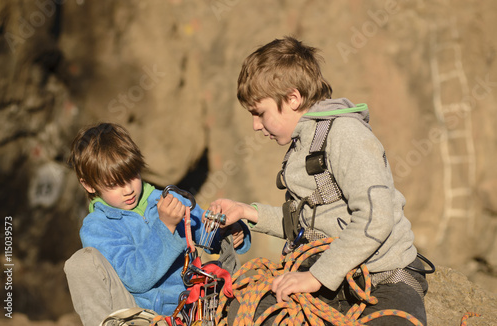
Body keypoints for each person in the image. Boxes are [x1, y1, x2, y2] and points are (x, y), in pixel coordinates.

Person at [208, 36, 429, 325]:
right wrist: (247, 212)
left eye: (260, 113)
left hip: (383, 280)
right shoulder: (301, 146)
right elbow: (305, 225)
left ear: (292, 98)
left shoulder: (346, 135)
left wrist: (315, 277)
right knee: (250, 309)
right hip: (330, 276)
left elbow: (377, 218)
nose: (255, 126)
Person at [64, 122, 251, 326]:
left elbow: (203, 230)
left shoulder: (167, 200)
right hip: (136, 315)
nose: (128, 190)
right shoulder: (98, 228)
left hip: (188, 307)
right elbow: (136, 278)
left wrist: (230, 232)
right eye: (114, 184)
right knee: (80, 263)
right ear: (89, 185)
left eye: (131, 176)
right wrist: (165, 228)